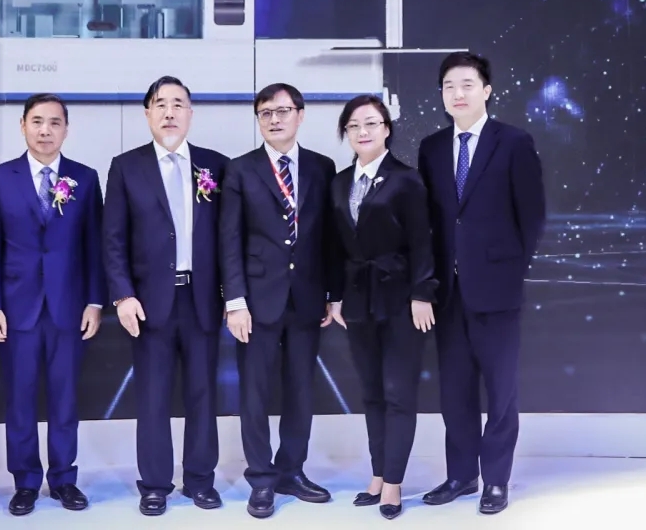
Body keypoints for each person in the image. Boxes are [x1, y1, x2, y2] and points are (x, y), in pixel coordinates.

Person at [416, 52, 546, 515]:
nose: (458, 93)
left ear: (486, 90)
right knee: (455, 391)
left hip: (496, 289)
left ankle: (495, 480)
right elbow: (430, 223)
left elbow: (531, 216)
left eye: (467, 84)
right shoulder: (431, 148)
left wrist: (507, 270)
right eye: (449, 86)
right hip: (447, 294)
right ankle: (460, 475)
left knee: (500, 391)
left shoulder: (513, 142)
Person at [102, 76, 229, 517]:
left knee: (203, 395)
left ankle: (200, 480)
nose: (169, 112)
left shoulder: (215, 165)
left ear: (191, 113)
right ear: (147, 114)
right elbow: (113, 239)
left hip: (202, 298)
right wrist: (122, 296)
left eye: (178, 104)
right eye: (160, 104)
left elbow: (228, 238)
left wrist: (231, 297)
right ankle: (155, 484)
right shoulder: (126, 167)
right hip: (149, 302)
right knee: (153, 398)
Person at [0, 94, 105, 516]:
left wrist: (95, 301)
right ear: (23, 126)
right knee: (20, 398)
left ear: (66, 128)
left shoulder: (85, 178)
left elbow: (94, 246)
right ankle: (26, 481)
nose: (45, 130)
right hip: (17, 309)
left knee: (65, 398)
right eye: (37, 121)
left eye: (54, 122)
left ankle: (64, 479)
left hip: (70, 307)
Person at [217, 83, 337, 518]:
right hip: (256, 301)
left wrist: (332, 294)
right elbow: (229, 240)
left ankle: (292, 471)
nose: (274, 119)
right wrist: (235, 301)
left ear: (300, 115)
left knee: (301, 391)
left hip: (307, 298)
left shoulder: (322, 167)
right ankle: (261, 479)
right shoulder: (240, 169)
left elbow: (330, 238)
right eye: (265, 112)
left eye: (283, 111)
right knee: (255, 393)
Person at [327, 95, 437, 520]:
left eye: (371, 123)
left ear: (387, 129)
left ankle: (394, 481)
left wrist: (422, 294)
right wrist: (335, 297)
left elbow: (423, 241)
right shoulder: (339, 182)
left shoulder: (406, 179)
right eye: (354, 125)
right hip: (358, 301)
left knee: (398, 393)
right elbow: (335, 247)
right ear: (346, 133)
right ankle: (377, 474)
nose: (363, 131)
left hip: (400, 299)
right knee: (371, 392)